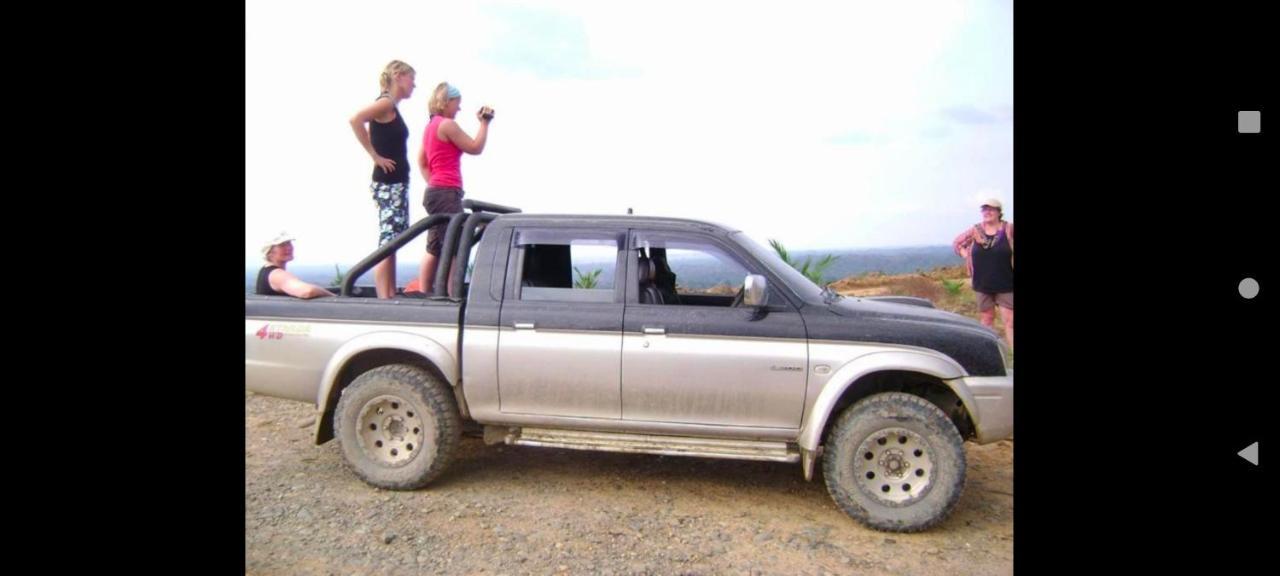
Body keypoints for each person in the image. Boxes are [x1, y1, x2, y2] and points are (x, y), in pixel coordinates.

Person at [416, 82, 493, 295]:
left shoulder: (430, 126)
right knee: (455, 246)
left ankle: (424, 292)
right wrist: (484, 123)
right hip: (446, 191)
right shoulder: (447, 125)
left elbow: (422, 161)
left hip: (435, 192)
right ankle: (452, 295)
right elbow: (475, 147)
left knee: (435, 246)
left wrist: (434, 182)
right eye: (457, 104)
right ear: (446, 102)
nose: (458, 109)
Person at [349, 60, 416, 299]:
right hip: (388, 183)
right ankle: (383, 297)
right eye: (411, 78)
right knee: (388, 240)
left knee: (394, 240)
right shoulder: (385, 103)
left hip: (396, 182)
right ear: (398, 76)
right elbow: (355, 119)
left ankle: (388, 293)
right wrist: (375, 155)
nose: (414, 85)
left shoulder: (391, 106)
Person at [952, 198, 1014, 348]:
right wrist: (966, 255)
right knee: (987, 320)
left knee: (1010, 321)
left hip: (1006, 282)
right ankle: (990, 352)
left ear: (999, 212)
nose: (987, 212)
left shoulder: (1009, 229)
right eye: (984, 209)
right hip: (982, 283)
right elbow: (957, 243)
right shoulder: (976, 230)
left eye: (991, 209)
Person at [256, 232, 336, 299]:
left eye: (289, 243)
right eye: (282, 245)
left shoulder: (266, 270)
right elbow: (307, 291)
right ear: (269, 252)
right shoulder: (277, 274)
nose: (289, 248)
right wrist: (333, 297)